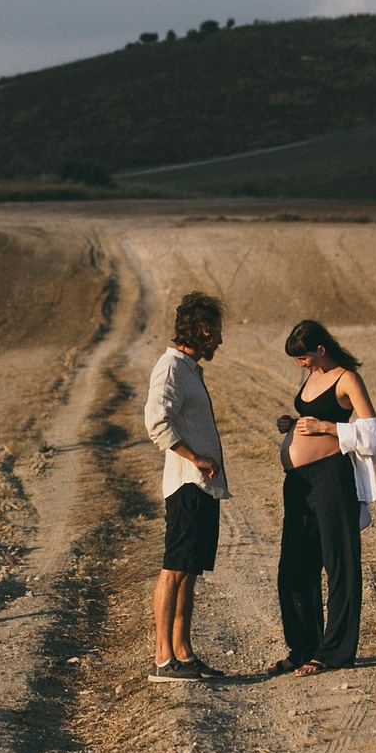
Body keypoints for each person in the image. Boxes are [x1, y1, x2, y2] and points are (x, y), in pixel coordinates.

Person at [273, 318, 376, 676]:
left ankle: (334, 652)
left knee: (340, 566)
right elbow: (310, 416)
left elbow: (373, 434)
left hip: (331, 480)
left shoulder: (347, 378)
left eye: (303, 357)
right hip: (299, 484)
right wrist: (293, 425)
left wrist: (326, 427)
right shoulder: (312, 375)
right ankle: (304, 647)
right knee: (294, 566)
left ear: (320, 349)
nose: (300, 365)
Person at [145, 290, 230, 683]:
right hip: (186, 486)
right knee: (174, 570)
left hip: (202, 487)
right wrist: (194, 457)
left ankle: (183, 654)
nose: (219, 340)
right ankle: (164, 660)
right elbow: (156, 421)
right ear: (197, 330)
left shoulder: (188, 369)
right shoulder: (171, 368)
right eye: (213, 331)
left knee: (189, 572)